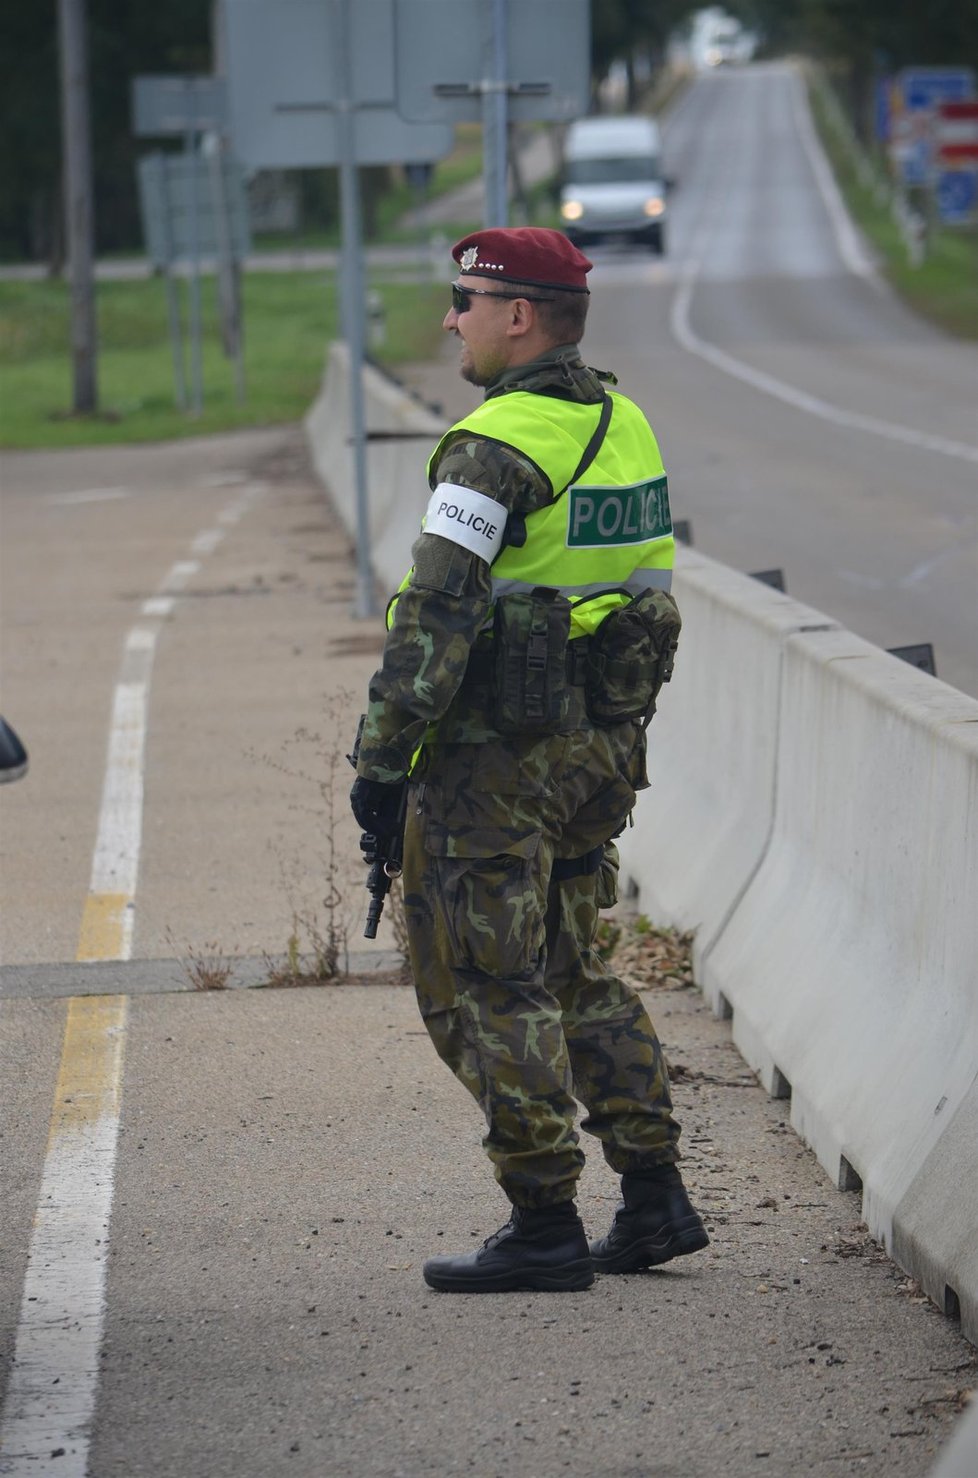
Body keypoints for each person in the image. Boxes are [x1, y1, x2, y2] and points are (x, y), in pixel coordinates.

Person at [351, 227, 708, 1293]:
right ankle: (653, 1192)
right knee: (571, 966)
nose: (449, 317)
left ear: (519, 315)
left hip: (496, 761)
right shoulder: (624, 420)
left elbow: (432, 617)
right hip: (600, 750)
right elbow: (639, 582)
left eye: (464, 298)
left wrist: (380, 761)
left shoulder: (493, 446)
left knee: (488, 981)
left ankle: (544, 1217)